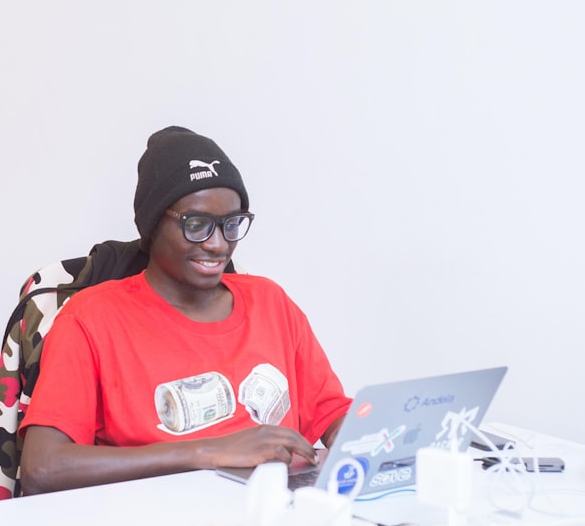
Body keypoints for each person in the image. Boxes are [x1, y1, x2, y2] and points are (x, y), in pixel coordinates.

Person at [18, 126, 351, 495]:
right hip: (154, 525)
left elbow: (332, 412)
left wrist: (363, 436)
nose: (217, 244)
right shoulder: (91, 319)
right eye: (197, 225)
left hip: (271, 520)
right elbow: (43, 468)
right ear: (152, 224)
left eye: (231, 224)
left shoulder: (270, 302)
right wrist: (211, 452)